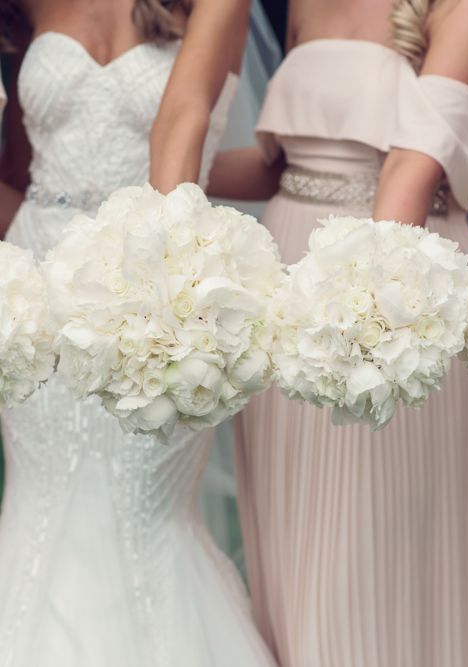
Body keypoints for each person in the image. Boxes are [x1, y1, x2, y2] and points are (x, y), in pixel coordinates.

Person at [208, 0, 468, 665]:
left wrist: (359, 310)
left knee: (368, 539)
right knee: (293, 535)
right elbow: (279, 164)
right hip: (286, 276)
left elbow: (412, 168)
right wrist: (151, 187)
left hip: (394, 285)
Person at [0, 2, 275, 665]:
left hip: (154, 279)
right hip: (37, 298)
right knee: (40, 494)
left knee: (140, 506)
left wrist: (153, 291)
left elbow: (180, 126)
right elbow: (14, 167)